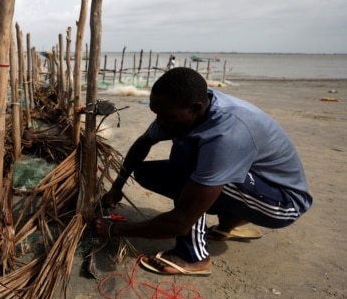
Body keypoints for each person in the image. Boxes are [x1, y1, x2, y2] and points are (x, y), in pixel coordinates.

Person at [95, 67, 312, 275]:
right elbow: (144, 143)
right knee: (146, 172)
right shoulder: (188, 103)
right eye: (156, 114)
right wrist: (117, 186)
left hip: (282, 203)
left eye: (167, 116)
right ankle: (230, 223)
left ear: (196, 108)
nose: (160, 122)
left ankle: (192, 256)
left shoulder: (227, 133)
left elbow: (181, 222)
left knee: (190, 159)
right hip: (251, 184)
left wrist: (115, 229)